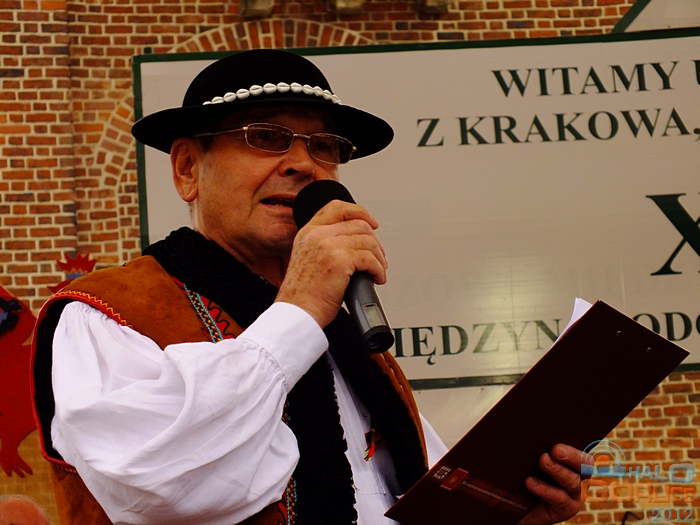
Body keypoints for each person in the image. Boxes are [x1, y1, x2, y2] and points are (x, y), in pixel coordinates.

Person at [32, 49, 588, 525]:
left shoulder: (348, 336)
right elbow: (152, 482)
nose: (303, 163)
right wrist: (298, 309)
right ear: (187, 169)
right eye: (265, 136)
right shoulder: (107, 312)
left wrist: (503, 511)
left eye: (325, 146)